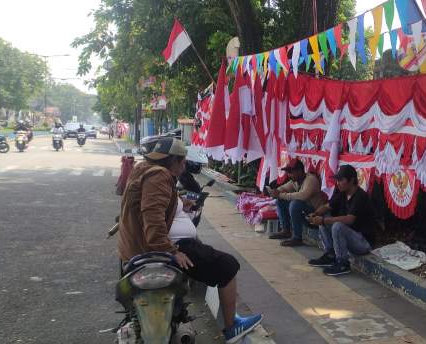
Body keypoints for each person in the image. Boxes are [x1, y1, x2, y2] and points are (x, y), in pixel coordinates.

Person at [117, 137, 262, 343]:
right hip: (158, 249)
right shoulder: (159, 176)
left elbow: (154, 203)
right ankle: (232, 327)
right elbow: (153, 216)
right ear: (173, 161)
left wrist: (180, 202)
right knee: (228, 265)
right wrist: (172, 251)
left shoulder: (144, 170)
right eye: (182, 161)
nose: (185, 165)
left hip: (135, 250)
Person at [306, 164, 375, 276]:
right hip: (350, 236)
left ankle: (343, 263)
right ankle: (330, 255)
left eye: (341, 180)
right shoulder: (342, 193)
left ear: (351, 180)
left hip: (363, 242)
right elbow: (327, 206)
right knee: (325, 216)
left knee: (337, 226)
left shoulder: (360, 196)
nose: (337, 183)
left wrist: (323, 221)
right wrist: (315, 214)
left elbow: (349, 219)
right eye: (337, 180)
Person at [268, 159, 326, 247]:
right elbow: (283, 188)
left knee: (295, 204)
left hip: (316, 215)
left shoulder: (310, 179)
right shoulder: (295, 181)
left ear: (299, 171)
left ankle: (297, 238)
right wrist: (275, 192)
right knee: (280, 201)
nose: (289, 175)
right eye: (288, 172)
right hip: (306, 214)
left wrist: (280, 194)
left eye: (291, 172)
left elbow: (303, 196)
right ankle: (286, 230)